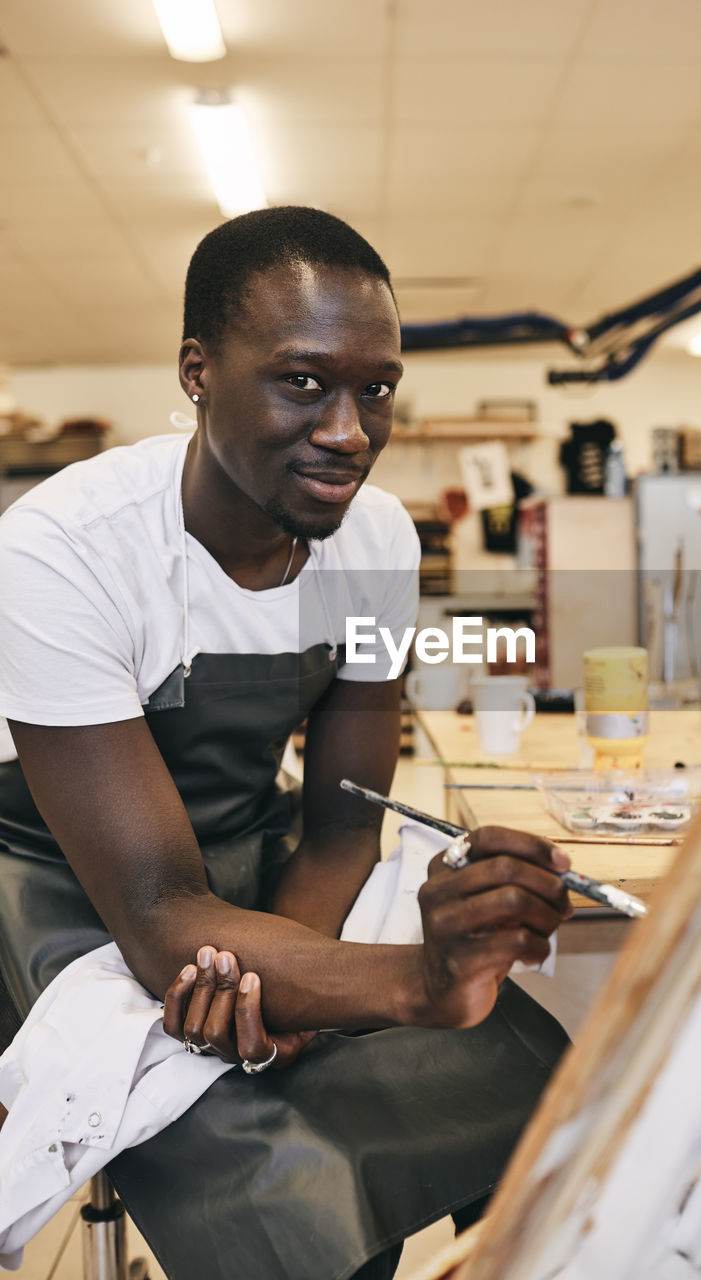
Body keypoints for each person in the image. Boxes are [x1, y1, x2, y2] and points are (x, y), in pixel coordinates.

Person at [0, 207, 570, 1280]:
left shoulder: (376, 540)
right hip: (71, 887)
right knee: (286, 1183)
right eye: (302, 381)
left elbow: (345, 816)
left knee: (534, 1088)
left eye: (376, 388)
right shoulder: (61, 553)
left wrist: (287, 985)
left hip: (265, 868)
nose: (349, 430)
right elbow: (161, 914)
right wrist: (409, 981)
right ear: (199, 371)